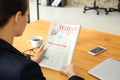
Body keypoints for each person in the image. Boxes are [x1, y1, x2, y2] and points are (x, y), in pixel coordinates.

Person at [0, 0, 84, 80]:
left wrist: (31, 61)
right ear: (18, 17)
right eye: (27, 14)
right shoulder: (26, 70)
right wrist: (73, 76)